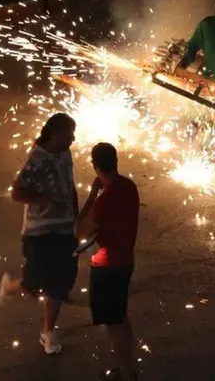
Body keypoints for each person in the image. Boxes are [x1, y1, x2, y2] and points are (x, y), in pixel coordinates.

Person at [0, 113, 79, 355]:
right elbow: (17, 192)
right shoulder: (36, 159)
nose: (73, 139)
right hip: (39, 233)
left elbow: (69, 184)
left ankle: (48, 332)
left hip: (65, 230)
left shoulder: (65, 153)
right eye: (69, 134)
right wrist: (43, 200)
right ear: (55, 134)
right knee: (35, 283)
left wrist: (76, 215)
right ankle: (9, 286)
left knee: (58, 285)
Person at [76, 143, 141, 381]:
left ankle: (126, 372)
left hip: (107, 267)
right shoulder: (129, 186)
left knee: (114, 324)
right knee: (120, 317)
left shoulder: (104, 201)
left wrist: (93, 194)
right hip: (126, 261)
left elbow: (80, 230)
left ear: (95, 165)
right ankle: (126, 367)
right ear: (116, 161)